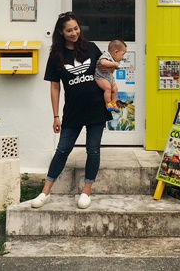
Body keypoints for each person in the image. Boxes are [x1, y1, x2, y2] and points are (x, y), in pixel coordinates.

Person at [30, 11, 113, 210]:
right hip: (73, 111)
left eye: (76, 28)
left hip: (96, 108)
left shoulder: (91, 48)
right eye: (69, 30)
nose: (74, 33)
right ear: (61, 32)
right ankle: (45, 192)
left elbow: (105, 69)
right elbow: (55, 86)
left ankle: (86, 191)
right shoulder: (56, 56)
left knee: (93, 150)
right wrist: (56, 115)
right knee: (62, 150)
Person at [95, 39, 127, 113]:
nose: (122, 57)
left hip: (109, 77)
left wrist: (116, 66)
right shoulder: (106, 55)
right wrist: (114, 64)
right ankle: (108, 103)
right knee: (108, 88)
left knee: (115, 89)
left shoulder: (114, 60)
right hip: (101, 77)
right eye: (122, 54)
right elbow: (102, 62)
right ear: (116, 52)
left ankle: (113, 103)